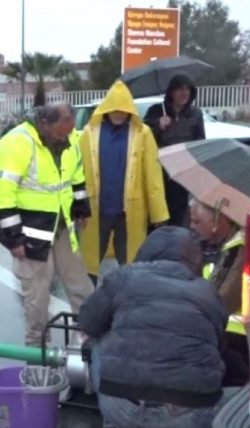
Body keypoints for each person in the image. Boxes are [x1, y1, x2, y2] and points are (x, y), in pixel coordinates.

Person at [78, 226, 228, 428]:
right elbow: (218, 343)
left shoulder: (125, 276)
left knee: (97, 341)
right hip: (190, 411)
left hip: (122, 407)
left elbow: (88, 322)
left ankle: (113, 425)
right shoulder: (208, 292)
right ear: (194, 259)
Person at [0, 102, 95, 347]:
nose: (66, 137)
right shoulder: (17, 142)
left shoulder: (70, 139)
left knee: (81, 287)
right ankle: (37, 349)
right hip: (30, 235)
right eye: (61, 132)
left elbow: (77, 175)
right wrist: (14, 238)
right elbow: (3, 193)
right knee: (37, 297)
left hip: (61, 226)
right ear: (44, 123)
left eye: (69, 131)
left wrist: (82, 207)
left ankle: (90, 340)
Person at [78, 81, 170, 283]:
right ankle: (86, 306)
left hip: (130, 212)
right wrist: (78, 207)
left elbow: (153, 174)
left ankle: (129, 304)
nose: (119, 113)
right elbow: (78, 173)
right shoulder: (89, 133)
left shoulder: (142, 133)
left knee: (131, 264)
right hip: (96, 211)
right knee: (89, 263)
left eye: (124, 109)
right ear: (107, 109)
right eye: (115, 109)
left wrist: (159, 214)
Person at [189, 197, 249, 387]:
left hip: (235, 341)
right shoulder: (222, 245)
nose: (191, 226)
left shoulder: (239, 248)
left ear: (218, 221)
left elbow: (222, 302)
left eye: (197, 221)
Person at [144, 74, 206, 227]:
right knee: (158, 214)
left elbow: (200, 142)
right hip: (159, 171)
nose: (184, 93)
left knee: (180, 214)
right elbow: (142, 139)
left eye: (188, 89)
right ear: (171, 91)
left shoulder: (195, 114)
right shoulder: (156, 111)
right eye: (180, 89)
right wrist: (158, 125)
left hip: (183, 171)